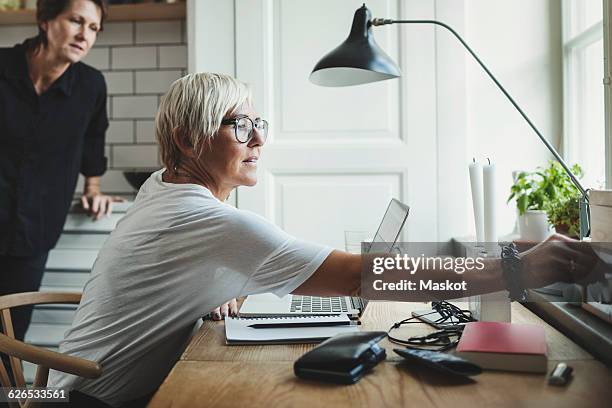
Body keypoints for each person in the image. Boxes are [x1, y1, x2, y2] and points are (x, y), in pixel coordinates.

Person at [47, 73, 598, 407]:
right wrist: (520, 269)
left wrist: (211, 282)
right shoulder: (209, 222)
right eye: (238, 125)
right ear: (190, 141)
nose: (260, 138)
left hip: (68, 384)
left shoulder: (161, 189)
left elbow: (162, 269)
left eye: (259, 121)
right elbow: (368, 275)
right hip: (83, 400)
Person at [0, 0, 125, 345]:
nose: (85, 35)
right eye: (76, 21)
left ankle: (13, 399)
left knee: (10, 338)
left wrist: (94, 187)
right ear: (45, 20)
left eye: (94, 28)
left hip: (34, 231)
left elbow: (92, 138)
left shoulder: (90, 86)